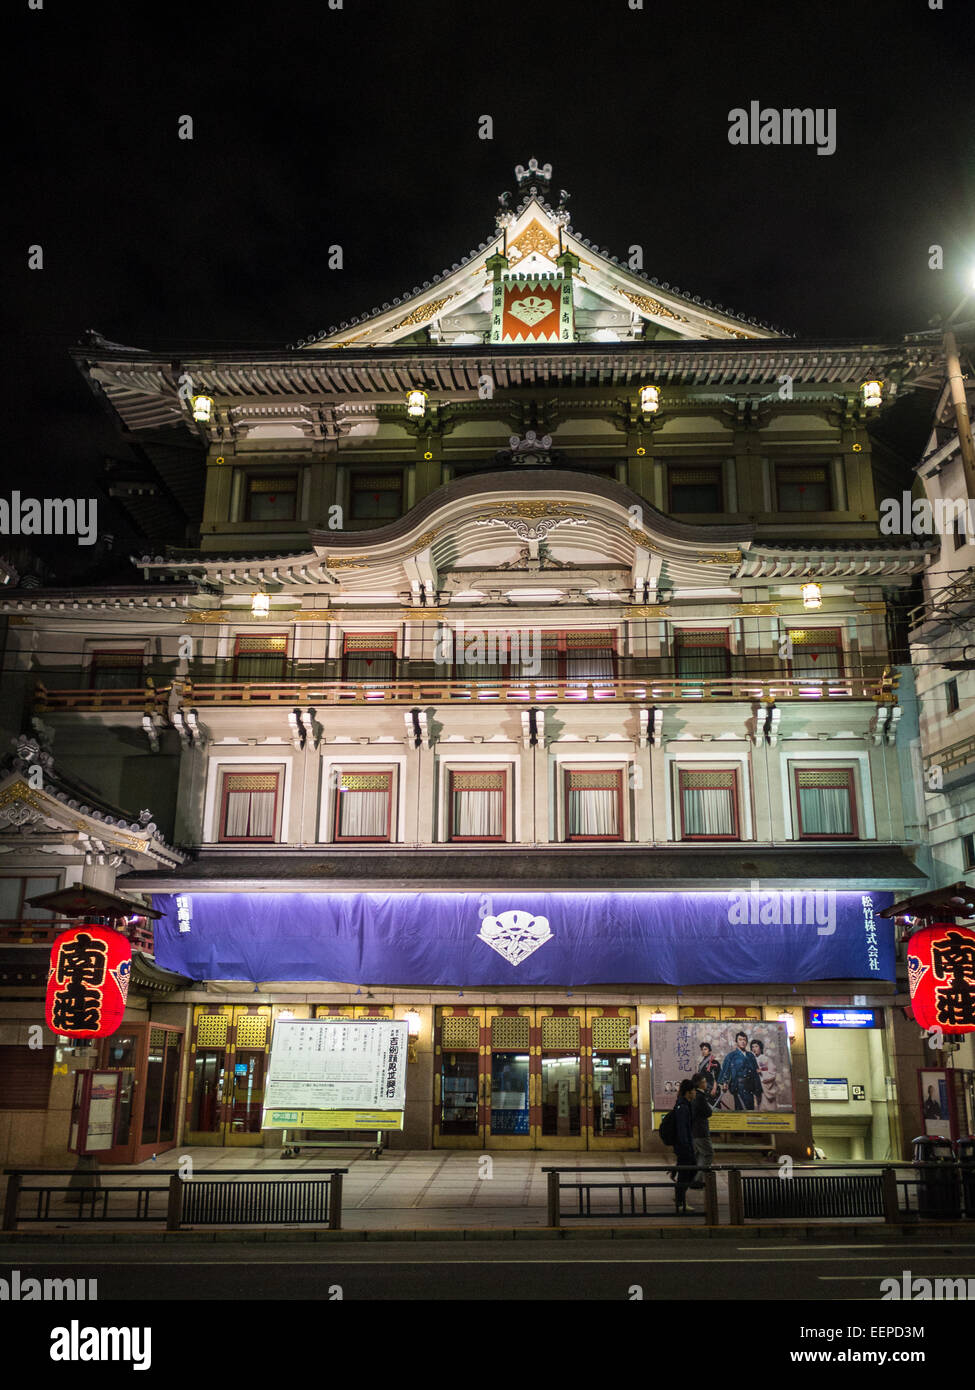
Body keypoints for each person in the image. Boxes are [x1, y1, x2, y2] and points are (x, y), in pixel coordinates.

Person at [671, 1078, 698, 1213]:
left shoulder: (686, 1105)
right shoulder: (682, 1107)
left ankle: (679, 1197)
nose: (695, 1093)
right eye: (693, 1091)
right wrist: (686, 1146)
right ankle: (680, 1201)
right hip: (684, 1147)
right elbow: (682, 1129)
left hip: (685, 1146)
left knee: (689, 1170)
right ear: (688, 1092)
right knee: (686, 1173)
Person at [718, 1031, 762, 1110]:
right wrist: (725, 1082)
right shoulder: (731, 1056)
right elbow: (726, 1070)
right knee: (740, 1110)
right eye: (740, 1039)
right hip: (738, 1087)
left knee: (750, 1109)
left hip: (750, 1087)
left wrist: (758, 1089)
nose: (742, 1042)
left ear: (746, 1042)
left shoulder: (750, 1055)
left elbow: (756, 1073)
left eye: (744, 1040)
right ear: (736, 1041)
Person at [691, 1071, 713, 1185]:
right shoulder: (700, 1097)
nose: (706, 1083)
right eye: (704, 1081)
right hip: (701, 1131)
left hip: (694, 1130)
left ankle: (694, 1178)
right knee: (708, 1154)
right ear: (699, 1084)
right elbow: (708, 1112)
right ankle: (698, 1180)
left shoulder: (694, 1095)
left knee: (699, 1155)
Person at [750, 1038, 777, 1109]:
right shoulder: (751, 1060)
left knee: (769, 1109)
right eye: (752, 1047)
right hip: (756, 1088)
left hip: (765, 1088)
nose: (754, 1048)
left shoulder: (766, 1059)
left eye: (756, 1046)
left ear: (760, 1048)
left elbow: (772, 1073)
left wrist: (761, 1072)